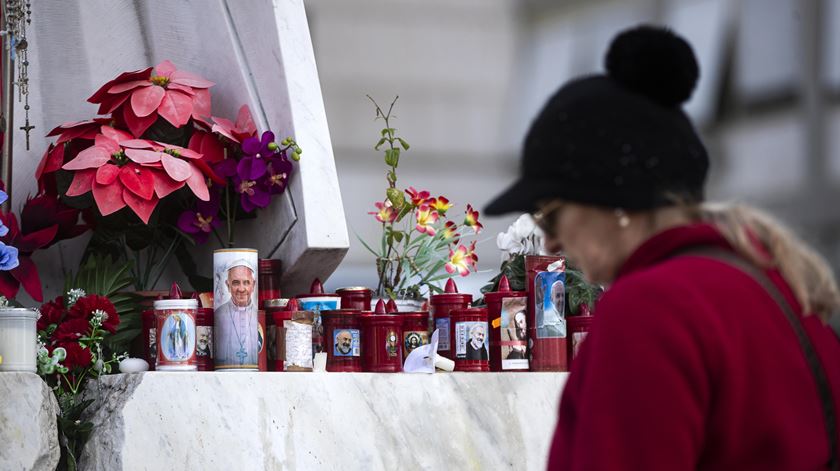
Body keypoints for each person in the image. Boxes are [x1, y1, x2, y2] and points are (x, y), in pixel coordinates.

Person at [485, 25, 840, 470]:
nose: (550, 238)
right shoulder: (778, 283)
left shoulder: (650, 307)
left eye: (551, 213)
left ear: (613, 201)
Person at [215, 260, 259, 367]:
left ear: (253, 285)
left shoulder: (259, 315)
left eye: (246, 282)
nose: (241, 289)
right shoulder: (219, 314)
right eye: (235, 283)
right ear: (228, 285)